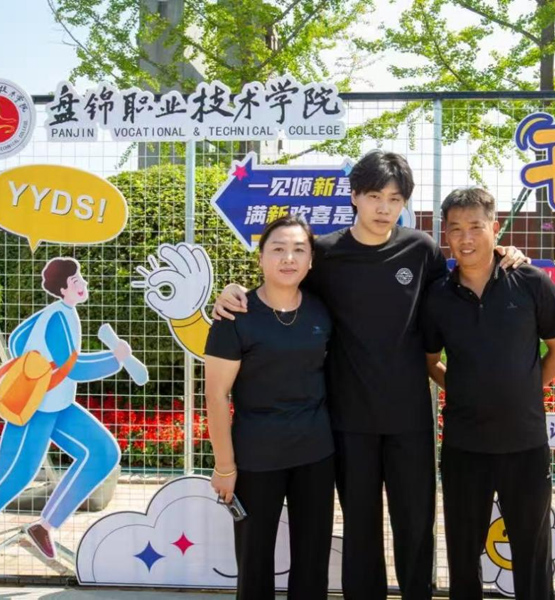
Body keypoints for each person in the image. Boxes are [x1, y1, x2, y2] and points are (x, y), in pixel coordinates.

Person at [212, 151, 526, 600]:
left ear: (404, 204)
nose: (383, 208)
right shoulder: (326, 253)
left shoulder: (421, 249)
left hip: (409, 419)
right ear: (355, 196)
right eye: (375, 196)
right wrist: (233, 291)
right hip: (349, 421)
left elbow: (459, 287)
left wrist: (504, 252)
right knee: (361, 531)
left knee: (415, 526)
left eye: (395, 199)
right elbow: (281, 283)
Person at [421, 187, 555, 600]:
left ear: (495, 227)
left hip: (525, 443)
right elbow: (430, 360)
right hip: (464, 446)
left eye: (475, 227)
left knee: (532, 551)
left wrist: (525, 387)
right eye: (455, 229)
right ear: (446, 235)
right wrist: (465, 390)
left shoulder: (530, 282)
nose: (466, 238)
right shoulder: (438, 295)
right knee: (462, 553)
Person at [0, 258, 129, 577]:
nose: (83, 283)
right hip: (34, 408)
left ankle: (44, 526)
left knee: (103, 452)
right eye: (77, 280)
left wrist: (35, 361)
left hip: (59, 405)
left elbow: (18, 340)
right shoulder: (57, 318)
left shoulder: (63, 313)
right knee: (14, 474)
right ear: (63, 288)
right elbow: (74, 368)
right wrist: (115, 359)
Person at [204, 216, 335, 600]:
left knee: (312, 560)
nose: (288, 258)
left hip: (315, 454)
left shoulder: (321, 311)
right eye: (278, 249)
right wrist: (224, 466)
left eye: (299, 250)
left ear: (311, 261)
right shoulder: (234, 316)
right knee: (254, 560)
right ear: (260, 258)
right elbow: (216, 395)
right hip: (256, 458)